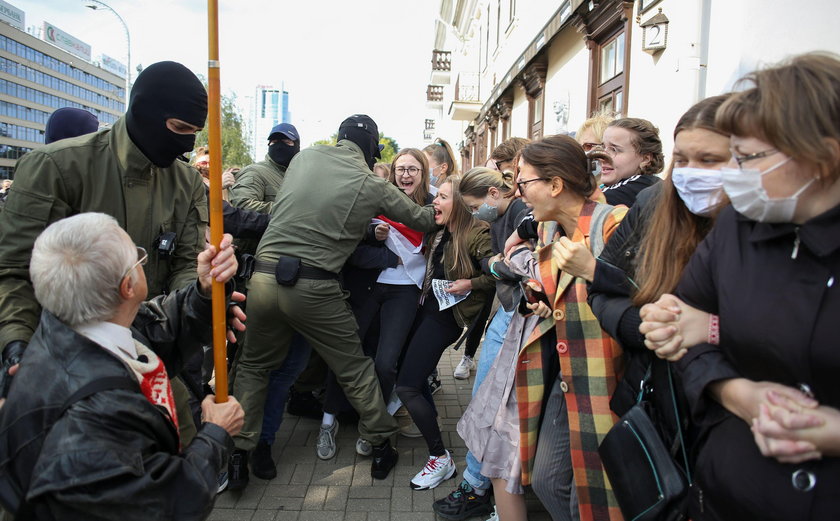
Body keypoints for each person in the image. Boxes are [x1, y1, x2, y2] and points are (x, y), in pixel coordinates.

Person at [639, 53, 840, 521]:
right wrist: (738, 394)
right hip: (728, 491)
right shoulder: (737, 229)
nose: (735, 174)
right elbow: (681, 333)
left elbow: (705, 327)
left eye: (747, 159)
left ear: (823, 159)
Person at [0, 61, 220, 446]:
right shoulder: (55, 168)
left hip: (153, 362)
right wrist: (16, 343)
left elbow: (185, 265)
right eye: (180, 129)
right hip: (67, 372)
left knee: (176, 456)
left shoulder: (186, 183)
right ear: (145, 113)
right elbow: (15, 272)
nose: (187, 144)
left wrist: (200, 297)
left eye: (195, 133)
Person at [228, 114, 437, 488]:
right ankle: (379, 443)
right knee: (354, 369)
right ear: (372, 147)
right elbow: (421, 219)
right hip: (314, 287)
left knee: (253, 368)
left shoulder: (304, 158)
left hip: (263, 277)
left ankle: (237, 454)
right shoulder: (371, 182)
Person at [0, 213, 243, 520]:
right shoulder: (97, 415)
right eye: (138, 256)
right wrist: (215, 434)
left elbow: (156, 329)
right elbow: (164, 502)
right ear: (128, 286)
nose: (143, 260)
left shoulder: (71, 325)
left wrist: (204, 291)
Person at [588, 94, 731, 424]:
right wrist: (643, 326)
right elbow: (602, 286)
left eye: (709, 160)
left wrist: (708, 330)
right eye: (682, 160)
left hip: (722, 413)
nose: (692, 173)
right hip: (652, 395)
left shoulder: (761, 224)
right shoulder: (654, 202)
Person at [511, 135, 627, 520]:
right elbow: (551, 287)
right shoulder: (549, 229)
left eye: (524, 182)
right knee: (545, 481)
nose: (519, 192)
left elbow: (649, 296)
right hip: (565, 380)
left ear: (555, 185)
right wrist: (537, 293)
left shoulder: (613, 223)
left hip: (608, 386)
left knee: (595, 498)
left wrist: (594, 270)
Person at [316, 148, 432, 460]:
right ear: (393, 173)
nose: (405, 175)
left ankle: (373, 426)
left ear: (423, 174)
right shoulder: (378, 201)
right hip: (368, 288)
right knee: (346, 354)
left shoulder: (434, 208)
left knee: (385, 363)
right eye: (400, 169)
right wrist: (374, 236)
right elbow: (349, 250)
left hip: (406, 292)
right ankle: (328, 422)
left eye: (412, 169)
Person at [433, 164, 528, 519]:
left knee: (489, 404)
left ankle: (476, 488)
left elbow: (511, 268)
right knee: (485, 403)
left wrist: (492, 266)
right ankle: (477, 485)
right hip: (509, 315)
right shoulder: (504, 216)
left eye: (475, 207)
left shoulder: (521, 214)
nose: (476, 215)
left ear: (493, 194)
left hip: (517, 318)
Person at [394, 177, 494, 491]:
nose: (435, 202)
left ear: (462, 203)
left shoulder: (478, 232)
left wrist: (470, 284)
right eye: (437, 197)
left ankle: (440, 457)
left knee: (407, 386)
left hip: (446, 316)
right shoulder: (439, 231)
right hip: (425, 307)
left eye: (444, 198)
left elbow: (497, 273)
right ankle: (433, 430)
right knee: (414, 376)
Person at [229, 123, 301, 214]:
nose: (279, 147)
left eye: (286, 142)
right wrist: (288, 211)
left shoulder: (302, 176)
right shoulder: (254, 172)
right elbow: (242, 205)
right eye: (274, 142)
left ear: (297, 146)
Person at [599, 117, 664, 206]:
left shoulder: (641, 186)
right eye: (603, 147)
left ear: (645, 159)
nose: (602, 157)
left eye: (614, 150)